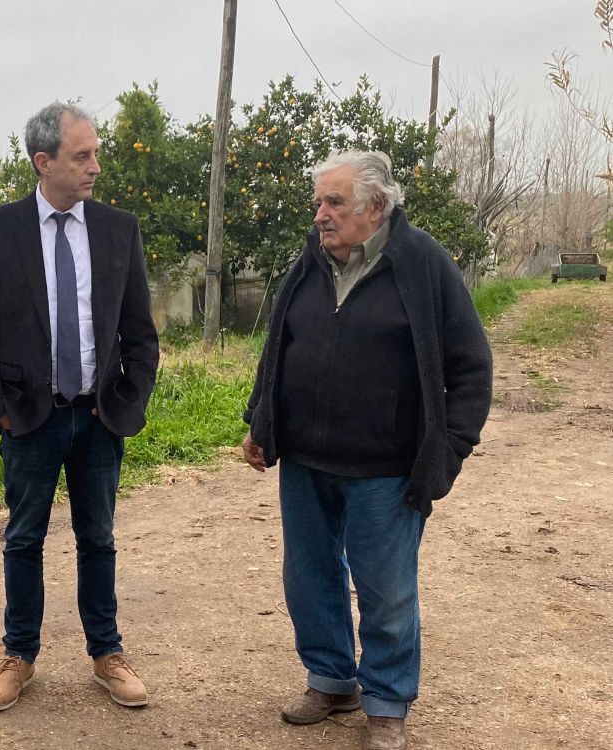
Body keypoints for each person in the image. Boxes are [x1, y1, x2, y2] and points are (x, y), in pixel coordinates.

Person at [241, 151, 492, 750]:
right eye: (319, 202)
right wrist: (261, 422)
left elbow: (471, 366)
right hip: (305, 460)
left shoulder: (423, 264)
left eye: (335, 203)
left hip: (387, 466)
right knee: (309, 576)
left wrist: (448, 448)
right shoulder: (309, 263)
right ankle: (330, 679)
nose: (321, 215)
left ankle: (385, 701)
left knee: (386, 588)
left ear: (376, 207)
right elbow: (278, 348)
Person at [0, 102, 159, 711]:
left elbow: (140, 333)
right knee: (24, 539)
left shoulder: (119, 229)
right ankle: (19, 655)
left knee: (99, 538)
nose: (96, 165)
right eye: (83, 155)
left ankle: (107, 654)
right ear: (44, 162)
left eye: (96, 152)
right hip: (30, 418)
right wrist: (1, 410)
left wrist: (128, 399)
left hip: (99, 417)